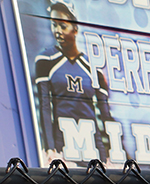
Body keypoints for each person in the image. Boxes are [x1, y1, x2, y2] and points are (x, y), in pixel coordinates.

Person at [33, 1, 117, 165]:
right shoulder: (46, 60)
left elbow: (105, 114)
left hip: (94, 150)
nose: (57, 31)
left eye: (63, 26)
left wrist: (112, 152)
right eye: (54, 25)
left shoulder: (93, 68)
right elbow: (45, 106)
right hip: (63, 150)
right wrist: (49, 148)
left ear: (75, 29)